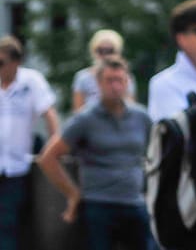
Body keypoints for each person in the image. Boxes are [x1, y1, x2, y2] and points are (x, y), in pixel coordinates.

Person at [36, 57, 156, 249]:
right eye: (110, 80)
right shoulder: (85, 119)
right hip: (99, 203)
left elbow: (157, 155)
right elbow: (48, 157)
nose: (115, 86)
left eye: (120, 80)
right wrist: (72, 194)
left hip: (134, 201)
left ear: (127, 83)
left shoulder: (141, 117)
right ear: (99, 84)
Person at [1, 35, 59, 250]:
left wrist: (55, 149)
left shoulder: (31, 81)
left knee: (9, 224)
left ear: (16, 62)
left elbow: (49, 113)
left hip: (15, 167)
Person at [71, 30, 133, 112]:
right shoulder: (82, 77)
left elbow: (131, 105)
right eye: (101, 50)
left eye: (110, 51)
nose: (105, 55)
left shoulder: (125, 76)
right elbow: (77, 110)